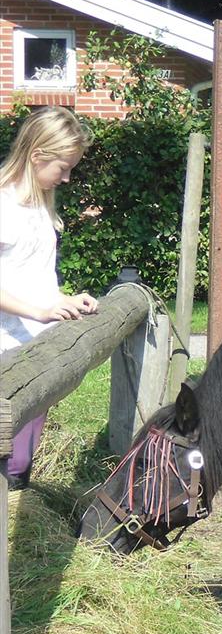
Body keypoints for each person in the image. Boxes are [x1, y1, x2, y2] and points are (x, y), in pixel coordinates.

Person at [0, 106, 98, 489]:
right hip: (5, 349)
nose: (68, 177)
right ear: (38, 155)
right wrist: (42, 311)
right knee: (11, 459)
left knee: (20, 461)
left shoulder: (40, 206)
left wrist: (66, 299)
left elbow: (33, 276)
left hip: (33, 348)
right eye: (63, 167)